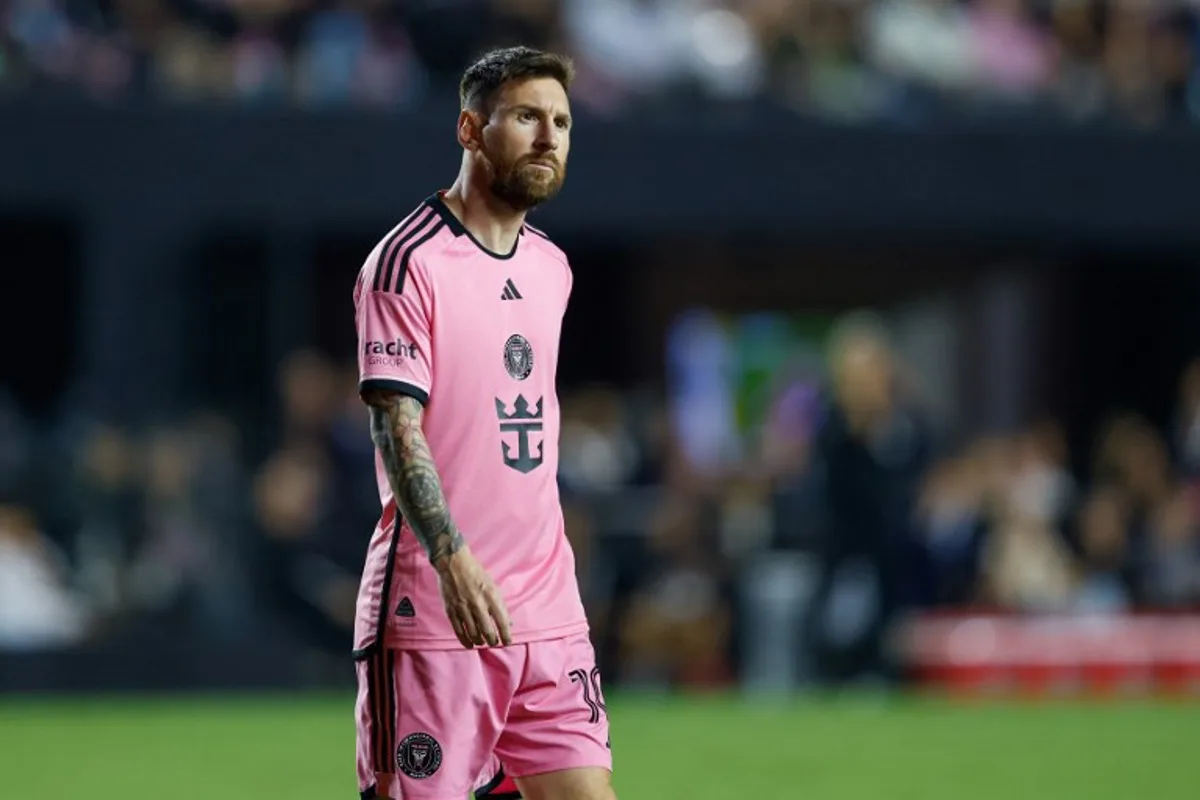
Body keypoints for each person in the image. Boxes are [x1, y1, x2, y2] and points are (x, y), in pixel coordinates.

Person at [352, 47, 615, 800]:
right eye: (528, 116)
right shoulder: (406, 263)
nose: (548, 137)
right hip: (438, 609)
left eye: (561, 121)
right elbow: (397, 428)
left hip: (548, 609)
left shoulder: (551, 268)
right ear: (470, 128)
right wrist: (453, 556)